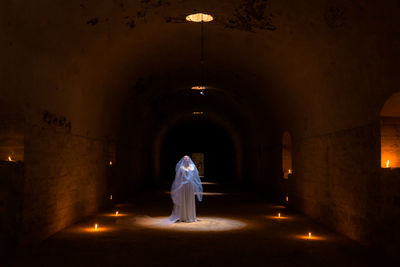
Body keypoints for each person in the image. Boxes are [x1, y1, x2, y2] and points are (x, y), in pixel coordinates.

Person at [169, 155, 203, 222]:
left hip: (190, 185)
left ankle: (190, 216)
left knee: (190, 199)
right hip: (183, 186)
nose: (186, 159)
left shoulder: (192, 166)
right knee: (184, 199)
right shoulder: (181, 167)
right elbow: (179, 177)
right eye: (185, 158)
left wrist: (195, 186)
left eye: (187, 158)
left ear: (189, 159)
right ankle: (184, 217)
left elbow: (195, 176)